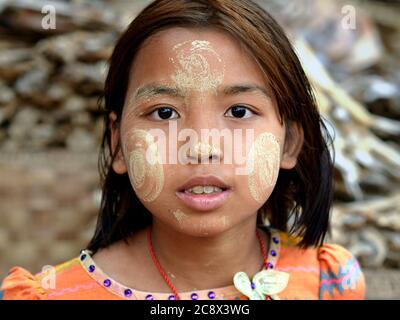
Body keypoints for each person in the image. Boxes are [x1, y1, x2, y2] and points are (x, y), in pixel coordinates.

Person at [1, 0, 365, 300]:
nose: (201, 147)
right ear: (119, 146)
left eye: (239, 111)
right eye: (164, 113)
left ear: (289, 143)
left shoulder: (326, 283)